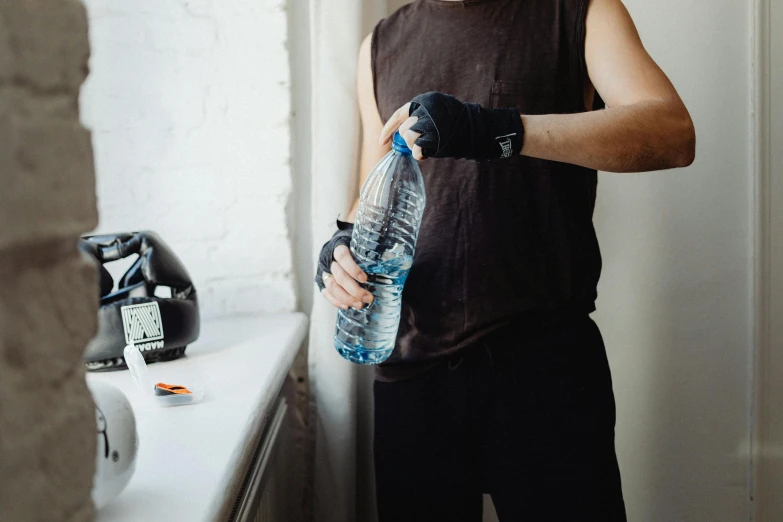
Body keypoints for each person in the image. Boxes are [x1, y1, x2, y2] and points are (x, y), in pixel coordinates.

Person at [315, 0, 695, 520]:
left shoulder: (579, 10)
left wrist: (499, 129)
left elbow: (672, 133)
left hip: (544, 372)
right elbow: (371, 195)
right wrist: (340, 247)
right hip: (411, 374)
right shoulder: (379, 44)